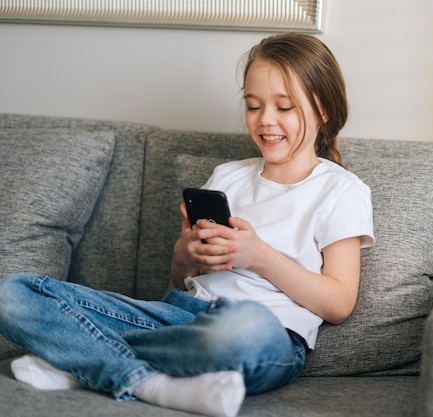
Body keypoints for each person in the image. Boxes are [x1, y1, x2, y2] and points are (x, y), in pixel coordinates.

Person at [0, 33, 374, 417]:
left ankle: (83, 359)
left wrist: (259, 256)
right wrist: (184, 254)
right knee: (12, 294)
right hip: (177, 317)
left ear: (323, 109)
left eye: (284, 107)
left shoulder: (340, 190)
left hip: (265, 333)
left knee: (239, 329)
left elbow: (339, 304)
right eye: (253, 106)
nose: (266, 121)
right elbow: (183, 284)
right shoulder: (227, 176)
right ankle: (143, 379)